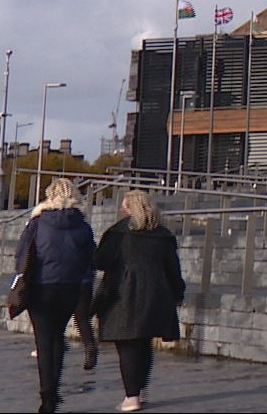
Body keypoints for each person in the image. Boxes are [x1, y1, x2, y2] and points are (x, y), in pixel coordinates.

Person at [93, 190, 185, 413]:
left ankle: (131, 396)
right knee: (144, 342)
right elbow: (173, 269)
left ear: (128, 208)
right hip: (156, 294)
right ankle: (140, 389)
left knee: (127, 345)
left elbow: (100, 261)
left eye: (124, 206)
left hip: (123, 294)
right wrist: (178, 294)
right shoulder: (162, 235)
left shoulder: (118, 233)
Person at [17, 177, 96, 413]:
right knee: (57, 338)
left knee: (44, 341)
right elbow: (92, 258)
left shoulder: (37, 222)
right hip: (70, 287)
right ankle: (54, 389)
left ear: (49, 195)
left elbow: (22, 254)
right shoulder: (82, 224)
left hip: (41, 287)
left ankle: (47, 396)